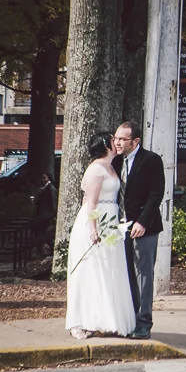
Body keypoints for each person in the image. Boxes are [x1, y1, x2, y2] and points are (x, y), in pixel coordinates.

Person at [64, 132, 135, 340]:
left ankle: (106, 319)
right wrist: (93, 229)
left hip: (111, 222)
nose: (117, 142)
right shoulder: (96, 169)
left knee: (108, 271)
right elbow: (91, 203)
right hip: (95, 221)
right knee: (91, 271)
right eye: (114, 139)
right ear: (106, 144)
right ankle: (81, 321)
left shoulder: (112, 167)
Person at [113, 121, 164, 338]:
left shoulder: (151, 160)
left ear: (135, 141)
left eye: (122, 139)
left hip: (145, 228)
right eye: (116, 138)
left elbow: (156, 194)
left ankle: (144, 322)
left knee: (143, 274)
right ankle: (129, 319)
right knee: (126, 275)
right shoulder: (116, 162)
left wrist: (142, 222)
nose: (117, 142)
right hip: (120, 228)